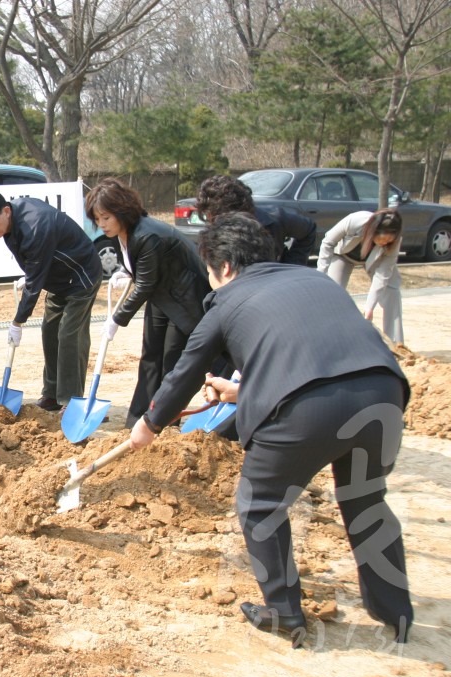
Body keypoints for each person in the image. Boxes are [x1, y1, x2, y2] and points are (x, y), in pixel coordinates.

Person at [131, 213, 412, 647]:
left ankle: (283, 611)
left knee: (260, 504)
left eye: (209, 271)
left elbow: (186, 371)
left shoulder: (226, 301)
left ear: (223, 267)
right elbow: (317, 357)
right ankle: (396, 610)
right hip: (381, 393)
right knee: (365, 499)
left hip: (305, 411)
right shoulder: (314, 280)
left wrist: (149, 424)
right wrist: (241, 392)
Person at [84, 178, 210, 427]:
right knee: (150, 355)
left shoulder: (147, 234)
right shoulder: (125, 233)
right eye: (97, 219)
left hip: (185, 300)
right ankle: (138, 418)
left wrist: (116, 319)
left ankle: (164, 418)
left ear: (121, 211)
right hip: (162, 296)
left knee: (170, 360)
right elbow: (143, 271)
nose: (101, 225)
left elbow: (145, 284)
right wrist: (125, 271)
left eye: (106, 217)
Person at [0, 188, 102, 411]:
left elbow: (35, 281)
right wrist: (30, 273)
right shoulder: (10, 223)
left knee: (69, 334)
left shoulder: (36, 226)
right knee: (49, 331)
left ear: (5, 211)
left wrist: (18, 321)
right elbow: (34, 266)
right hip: (57, 279)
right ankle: (51, 394)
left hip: (81, 276)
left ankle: (71, 401)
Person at [317, 208, 404, 343]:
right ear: (373, 230)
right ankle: (330, 339)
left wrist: (369, 307)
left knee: (392, 291)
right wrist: (321, 274)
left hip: (374, 260)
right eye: (382, 239)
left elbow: (383, 274)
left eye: (388, 242)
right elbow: (328, 242)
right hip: (343, 255)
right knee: (332, 293)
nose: (384, 243)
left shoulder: (394, 241)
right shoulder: (355, 220)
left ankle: (395, 344)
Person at [195, 174, 317, 265]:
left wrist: (290, 266)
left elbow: (309, 230)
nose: (214, 223)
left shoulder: (274, 218)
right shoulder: (213, 235)